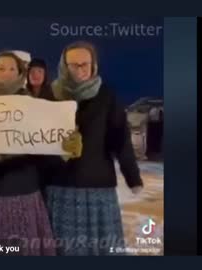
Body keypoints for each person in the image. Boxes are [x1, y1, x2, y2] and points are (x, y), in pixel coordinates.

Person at [0, 51, 81, 256]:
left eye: (12, 69)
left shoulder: (33, 106)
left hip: (24, 195)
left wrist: (66, 150)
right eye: (1, 68)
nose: (7, 73)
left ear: (20, 73)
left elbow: (46, 158)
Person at [46, 41, 144, 256]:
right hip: (60, 187)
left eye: (85, 64)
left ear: (93, 65)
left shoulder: (107, 95)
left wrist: (133, 177)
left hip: (98, 187)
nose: (80, 69)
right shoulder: (50, 95)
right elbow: (36, 141)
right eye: (73, 65)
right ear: (64, 66)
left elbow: (121, 139)